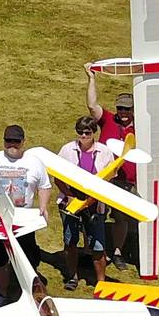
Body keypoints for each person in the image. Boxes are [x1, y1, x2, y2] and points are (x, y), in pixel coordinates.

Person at [0, 125, 51, 307]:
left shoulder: (34, 162)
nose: (12, 145)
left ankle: (29, 292)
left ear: (23, 142)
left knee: (28, 258)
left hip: (23, 222)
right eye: (8, 141)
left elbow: (44, 186)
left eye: (16, 141)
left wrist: (43, 206)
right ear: (3, 141)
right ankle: (2, 293)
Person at [85, 69, 139, 269]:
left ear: (134, 109)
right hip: (103, 178)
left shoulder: (141, 127)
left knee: (120, 217)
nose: (123, 112)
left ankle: (117, 252)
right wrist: (91, 79)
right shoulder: (108, 119)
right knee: (94, 214)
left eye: (127, 109)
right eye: (120, 108)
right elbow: (92, 106)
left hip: (126, 180)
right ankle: (92, 252)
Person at [55, 116, 115, 289]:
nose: (83, 136)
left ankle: (101, 283)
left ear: (94, 132)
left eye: (87, 133)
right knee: (70, 241)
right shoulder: (67, 150)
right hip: (70, 203)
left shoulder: (105, 152)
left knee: (98, 245)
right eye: (80, 132)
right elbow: (57, 178)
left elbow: (110, 178)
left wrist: (95, 198)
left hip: (96, 204)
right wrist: (69, 195)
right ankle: (72, 277)